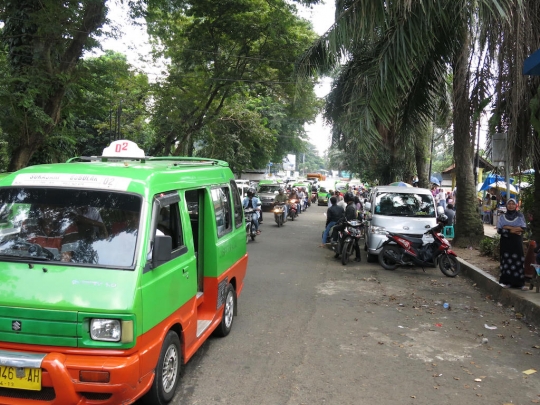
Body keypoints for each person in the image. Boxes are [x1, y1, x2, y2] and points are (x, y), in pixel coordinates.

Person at [497, 198, 527, 290]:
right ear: (506, 206)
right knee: (506, 261)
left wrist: (507, 228)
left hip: (516, 242)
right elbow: (499, 229)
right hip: (506, 242)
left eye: (512, 204)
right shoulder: (502, 217)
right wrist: (513, 229)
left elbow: (523, 228)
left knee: (518, 260)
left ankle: (520, 284)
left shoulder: (520, 216)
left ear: (516, 205)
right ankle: (508, 282)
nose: (511, 206)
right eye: (509, 204)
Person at [331, 192, 361, 262]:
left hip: (348, 225)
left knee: (335, 228)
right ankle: (358, 257)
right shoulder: (353, 205)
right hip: (354, 226)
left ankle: (334, 242)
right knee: (356, 242)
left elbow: (346, 217)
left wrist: (340, 221)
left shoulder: (350, 207)